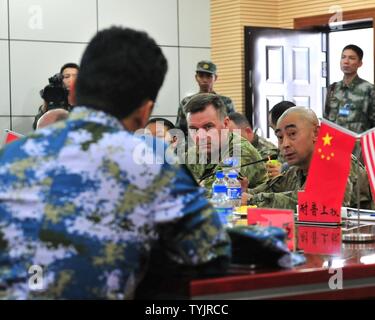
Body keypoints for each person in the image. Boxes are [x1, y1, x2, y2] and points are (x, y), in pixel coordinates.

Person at [0, 27, 231, 300]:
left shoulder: (10, 157)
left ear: (72, 92)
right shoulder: (153, 164)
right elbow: (212, 256)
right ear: (146, 110)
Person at [242, 107, 373, 210]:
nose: (285, 144)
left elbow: (313, 203)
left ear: (316, 133)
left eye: (292, 134)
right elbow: (267, 189)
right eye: (280, 137)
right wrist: (241, 191)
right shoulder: (296, 170)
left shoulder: (337, 161)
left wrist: (251, 200)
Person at [185, 93, 267, 193]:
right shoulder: (194, 152)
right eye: (193, 129)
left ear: (226, 124)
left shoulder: (241, 150)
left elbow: (219, 193)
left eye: (208, 127)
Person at [175, 60, 235, 137]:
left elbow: (232, 128)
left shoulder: (226, 102)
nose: (205, 80)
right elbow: (179, 131)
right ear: (196, 77)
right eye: (201, 76)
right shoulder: (186, 102)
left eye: (209, 76)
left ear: (215, 78)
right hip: (193, 145)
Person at [324, 44, 375, 134]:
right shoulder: (333, 88)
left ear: (360, 63)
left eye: (351, 58)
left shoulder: (369, 89)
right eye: (343, 57)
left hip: (357, 145)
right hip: (334, 143)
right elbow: (326, 120)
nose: (346, 61)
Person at [32, 63, 79, 130]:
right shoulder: (52, 105)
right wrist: (46, 102)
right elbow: (36, 128)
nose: (71, 80)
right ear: (61, 80)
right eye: (66, 76)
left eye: (75, 76)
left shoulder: (87, 103)